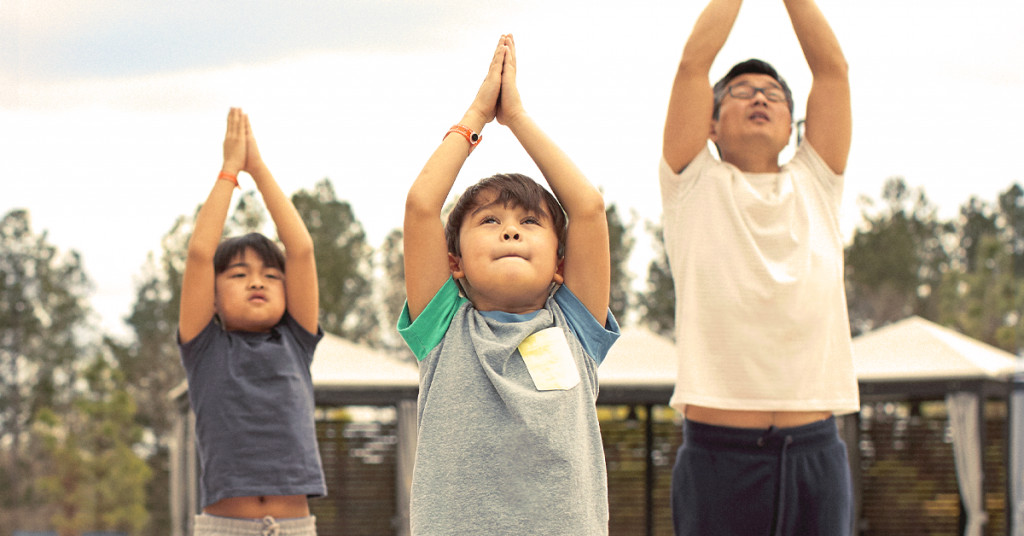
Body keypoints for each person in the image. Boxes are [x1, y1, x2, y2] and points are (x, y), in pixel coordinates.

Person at [398, 34, 620, 535]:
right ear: (454, 262)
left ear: (560, 264)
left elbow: (587, 209)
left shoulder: (575, 327)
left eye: (530, 221)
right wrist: (477, 115)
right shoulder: (444, 329)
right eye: (490, 221)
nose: (511, 229)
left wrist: (516, 116)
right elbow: (420, 206)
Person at [659, 1, 859, 535]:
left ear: (794, 125)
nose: (760, 98)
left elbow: (832, 70)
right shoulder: (692, 182)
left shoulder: (817, 181)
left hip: (816, 448)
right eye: (743, 92)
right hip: (718, 455)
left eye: (773, 95)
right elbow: (692, 66)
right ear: (711, 122)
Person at [178, 108, 324, 536]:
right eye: (239, 275)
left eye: (270, 275)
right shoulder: (203, 348)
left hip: (296, 527)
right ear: (214, 297)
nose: (256, 282)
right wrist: (229, 171)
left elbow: (301, 250)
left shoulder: (296, 341)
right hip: (224, 527)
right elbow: (200, 255)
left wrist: (258, 169)